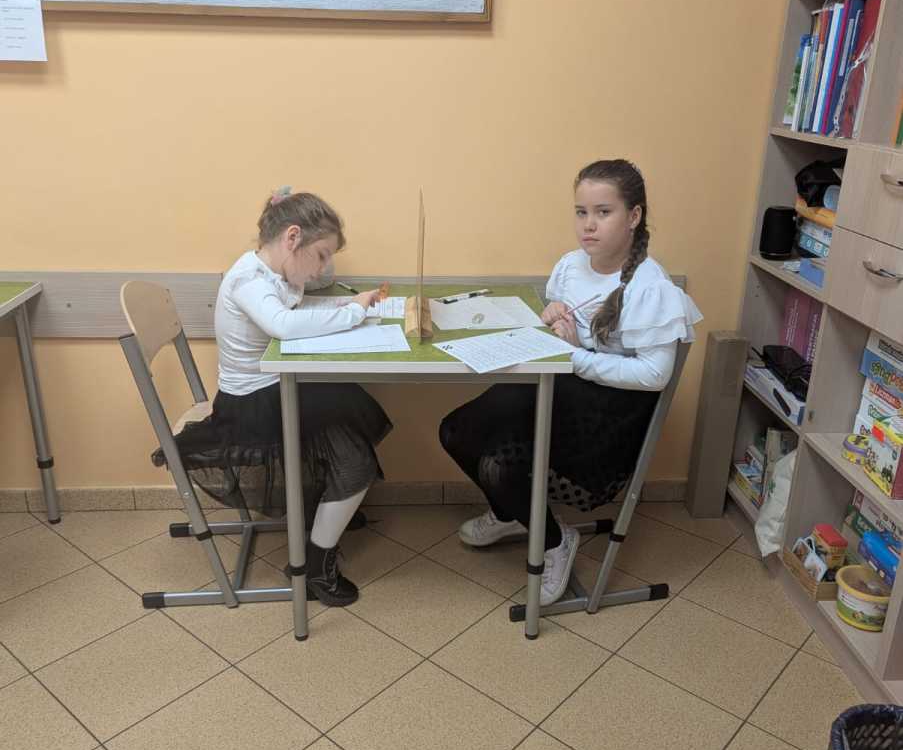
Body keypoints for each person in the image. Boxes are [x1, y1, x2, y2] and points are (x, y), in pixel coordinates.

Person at [439, 158, 702, 605]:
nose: (588, 225)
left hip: (608, 417)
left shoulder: (650, 286)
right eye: (581, 212)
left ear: (634, 216)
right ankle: (511, 513)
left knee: (498, 464)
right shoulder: (571, 265)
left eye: (603, 212)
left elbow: (654, 375)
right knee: (455, 431)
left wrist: (578, 356)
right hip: (564, 388)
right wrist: (553, 316)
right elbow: (565, 326)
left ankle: (555, 542)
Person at [169, 187, 392, 606]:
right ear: (292, 237)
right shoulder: (248, 279)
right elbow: (284, 327)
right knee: (354, 457)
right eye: (321, 255)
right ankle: (315, 567)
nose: (322, 267)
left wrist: (320, 266)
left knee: (345, 400)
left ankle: (328, 511)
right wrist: (354, 311)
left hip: (271, 388)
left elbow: (312, 288)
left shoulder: (274, 271)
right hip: (250, 405)